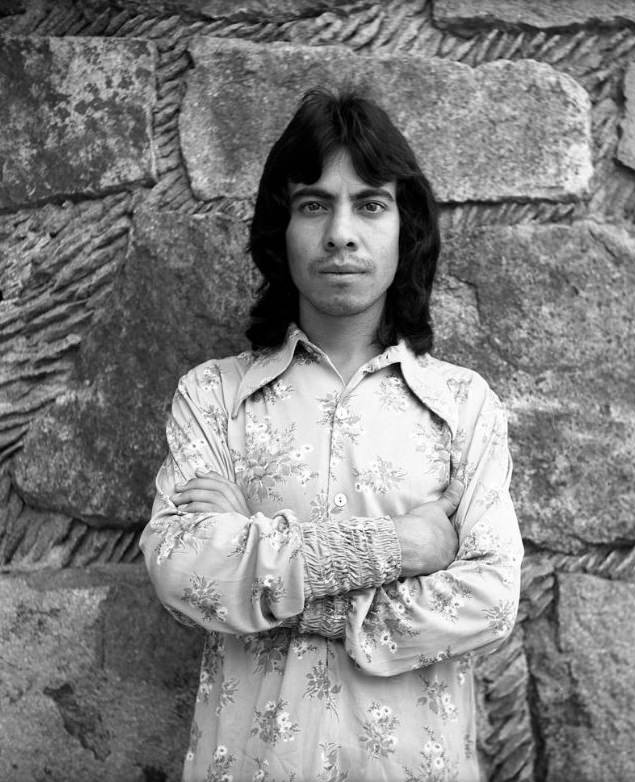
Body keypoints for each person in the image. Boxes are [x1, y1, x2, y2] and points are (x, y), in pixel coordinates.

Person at [139, 88, 523, 782]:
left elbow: (488, 597)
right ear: (279, 228)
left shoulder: (462, 405)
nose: (340, 232)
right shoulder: (215, 395)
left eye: (368, 204)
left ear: (403, 227)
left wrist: (268, 583)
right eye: (314, 204)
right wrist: (399, 546)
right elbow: (180, 568)